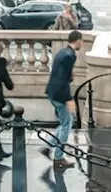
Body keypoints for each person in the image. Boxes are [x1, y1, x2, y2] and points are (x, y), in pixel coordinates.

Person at [44, 30, 83, 169]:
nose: (82, 43)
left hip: (52, 91)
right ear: (77, 40)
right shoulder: (70, 55)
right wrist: (69, 99)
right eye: (81, 41)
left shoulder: (62, 52)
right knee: (67, 124)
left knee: (64, 121)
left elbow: (62, 74)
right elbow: (63, 79)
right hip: (60, 94)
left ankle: (48, 145)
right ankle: (58, 158)